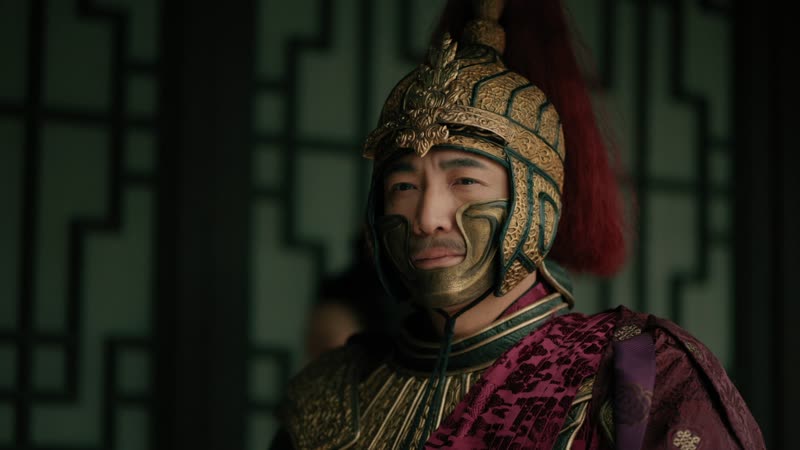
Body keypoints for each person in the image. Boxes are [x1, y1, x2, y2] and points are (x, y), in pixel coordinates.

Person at [271, 0, 765, 448]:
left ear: (535, 199)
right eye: (403, 186)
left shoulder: (637, 371)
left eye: (464, 180)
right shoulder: (330, 395)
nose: (426, 218)